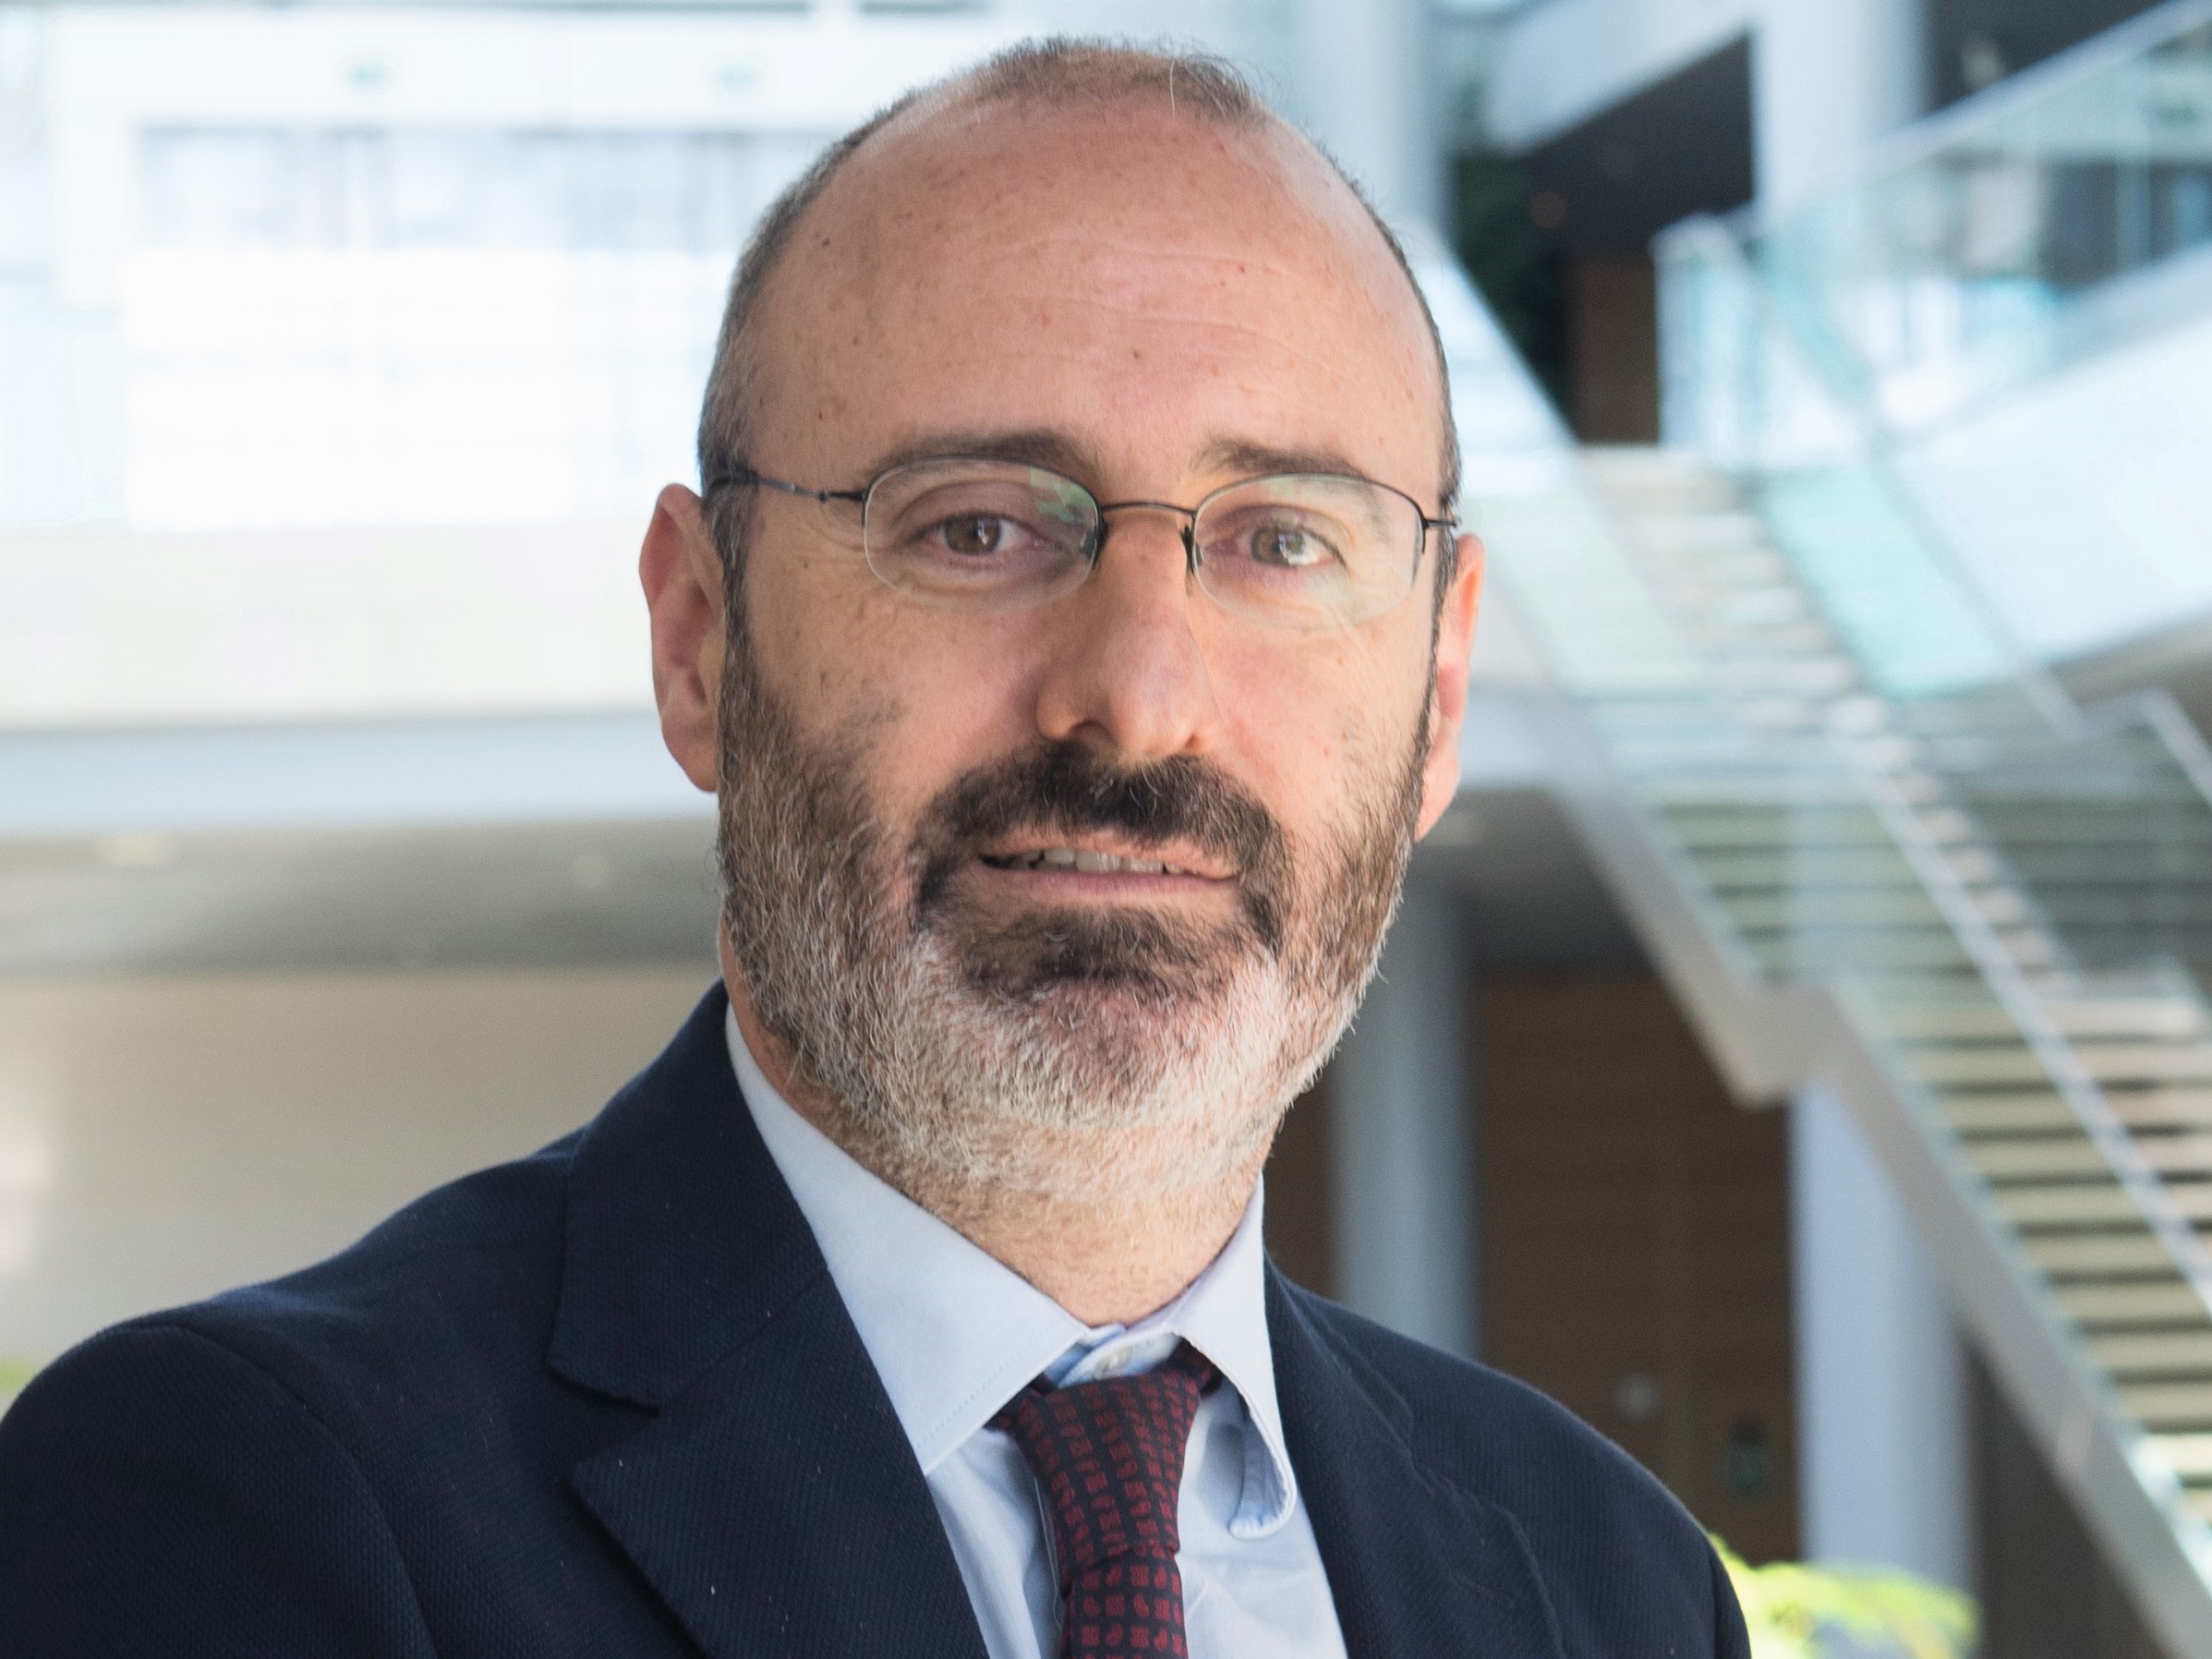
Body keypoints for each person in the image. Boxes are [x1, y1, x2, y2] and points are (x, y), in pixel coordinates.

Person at [0, 40, 1749, 1659]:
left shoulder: (1612, 1583)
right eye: (976, 527)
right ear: (701, 641)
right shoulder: (240, 1505)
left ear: (1439, 690)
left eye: (1283, 541)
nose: (1139, 702)